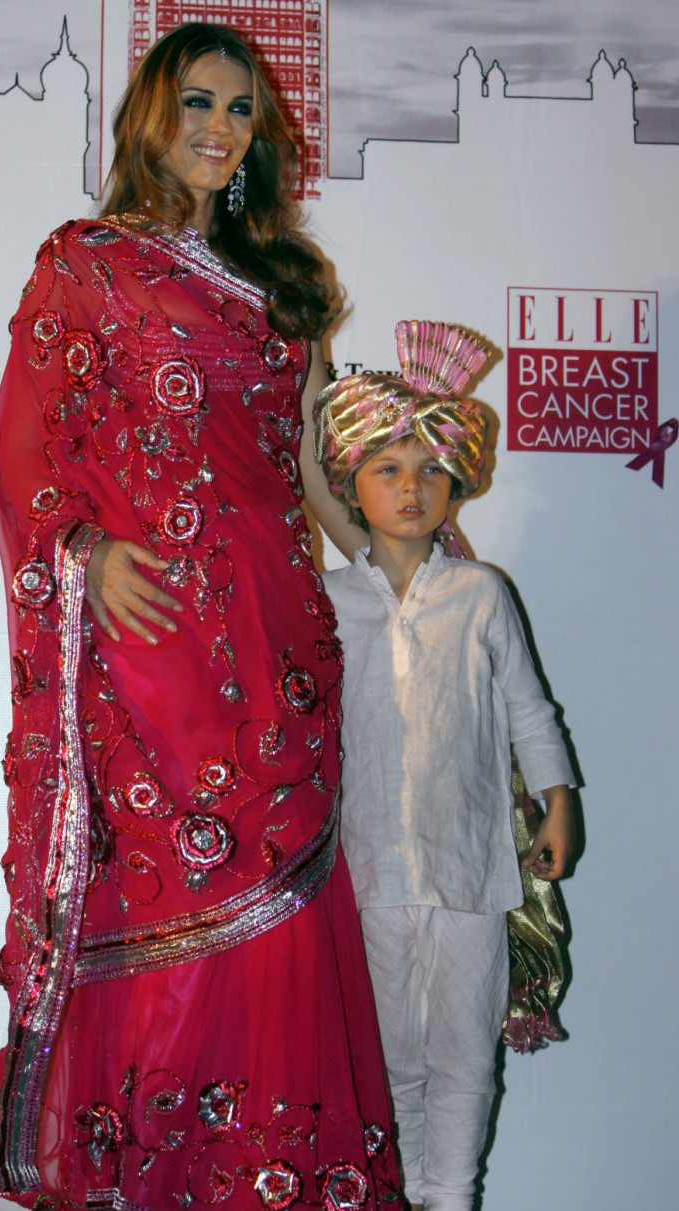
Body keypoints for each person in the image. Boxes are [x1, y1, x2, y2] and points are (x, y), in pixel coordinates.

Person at [0, 23, 400, 1210]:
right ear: (151, 118)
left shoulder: (289, 286)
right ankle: (162, 1177)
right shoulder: (87, 262)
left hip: (282, 648)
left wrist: (390, 540)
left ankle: (263, 1175)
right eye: (199, 104)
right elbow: (22, 449)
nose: (222, 130)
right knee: (169, 903)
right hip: (150, 643)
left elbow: (308, 464)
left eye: (241, 112)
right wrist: (84, 549)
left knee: (281, 920)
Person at [314, 320, 576, 1211]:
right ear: (350, 481)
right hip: (368, 868)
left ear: (456, 481)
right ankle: (394, 1193)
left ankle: (451, 1194)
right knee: (386, 1054)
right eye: (388, 468)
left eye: (430, 469)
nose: (412, 487)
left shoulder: (481, 593)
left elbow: (529, 709)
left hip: (473, 869)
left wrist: (557, 801)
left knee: (465, 1050)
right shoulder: (328, 602)